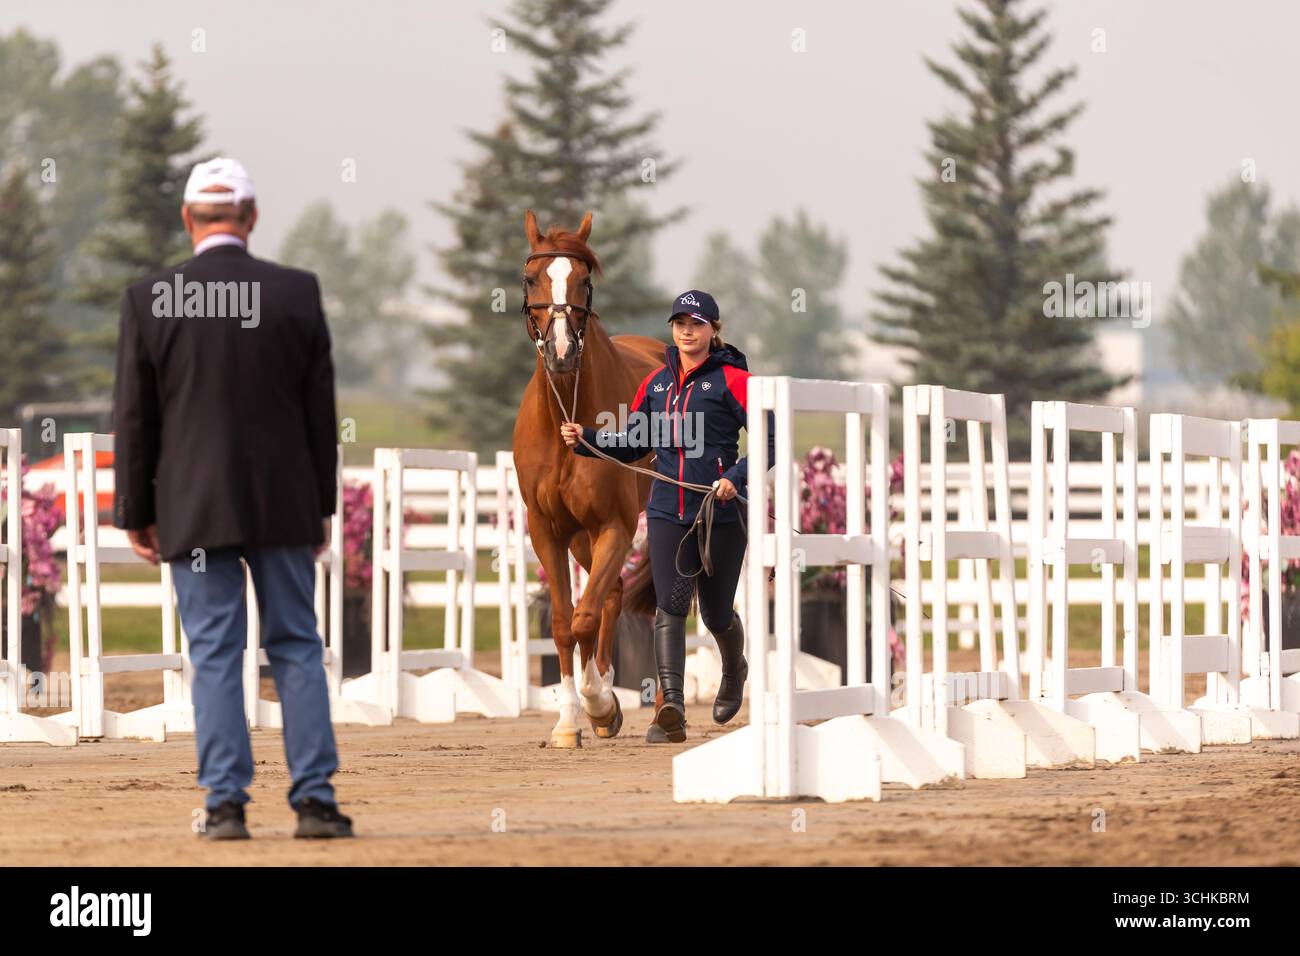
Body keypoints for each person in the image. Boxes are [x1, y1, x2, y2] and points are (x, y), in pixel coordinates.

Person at [112, 157, 352, 839]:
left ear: (189, 220)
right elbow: (318, 414)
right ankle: (314, 803)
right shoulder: (296, 293)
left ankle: (224, 805)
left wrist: (135, 510)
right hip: (282, 503)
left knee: (214, 651)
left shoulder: (149, 298)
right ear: (250, 217)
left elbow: (134, 417)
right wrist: (321, 508)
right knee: (297, 646)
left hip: (194, 505)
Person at [560, 290, 774, 743]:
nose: (687, 332)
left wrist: (736, 476)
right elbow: (633, 442)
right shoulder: (655, 385)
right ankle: (671, 706)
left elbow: (771, 441)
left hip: (720, 514)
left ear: (714, 330)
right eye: (680, 324)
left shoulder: (735, 381)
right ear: (672, 330)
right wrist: (586, 439)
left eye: (696, 324)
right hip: (665, 511)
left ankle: (734, 668)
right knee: (670, 607)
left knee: (716, 614)